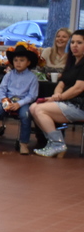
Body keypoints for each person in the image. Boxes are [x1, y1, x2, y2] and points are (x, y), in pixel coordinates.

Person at [30, 29, 84, 158]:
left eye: (79, 43)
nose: (74, 46)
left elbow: (79, 88)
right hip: (68, 102)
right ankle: (54, 142)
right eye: (73, 42)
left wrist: (59, 97)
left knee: (40, 110)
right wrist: (56, 95)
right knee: (33, 107)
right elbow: (61, 83)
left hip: (80, 105)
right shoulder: (72, 62)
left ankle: (57, 144)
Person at [0, 45, 39, 155]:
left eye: (22, 60)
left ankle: (24, 143)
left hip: (23, 102)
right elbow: (1, 91)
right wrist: (5, 101)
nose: (18, 63)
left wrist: (19, 104)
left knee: (25, 115)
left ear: (28, 63)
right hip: (8, 101)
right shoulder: (8, 75)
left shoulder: (32, 77)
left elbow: (32, 96)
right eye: (16, 60)